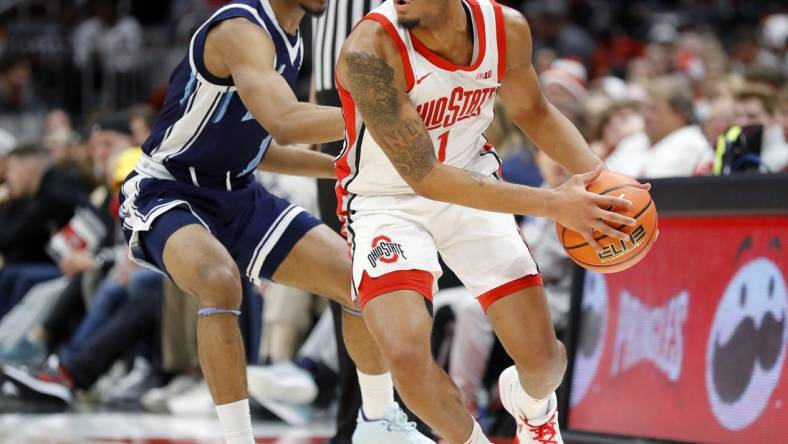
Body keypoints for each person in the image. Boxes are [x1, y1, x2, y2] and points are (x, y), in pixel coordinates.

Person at [42, 1, 427, 443]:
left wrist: (343, 164)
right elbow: (285, 123)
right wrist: (387, 116)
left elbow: (261, 148)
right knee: (220, 280)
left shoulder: (293, 41)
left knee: (359, 277)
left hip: (237, 191)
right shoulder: (240, 29)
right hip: (168, 189)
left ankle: (377, 426)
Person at [335, 1, 642, 443]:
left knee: (544, 362)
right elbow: (424, 176)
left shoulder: (505, 28)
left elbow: (534, 112)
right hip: (387, 203)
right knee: (404, 353)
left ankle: (533, 410)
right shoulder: (368, 50)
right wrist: (556, 204)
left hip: (472, 182)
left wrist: (604, 186)